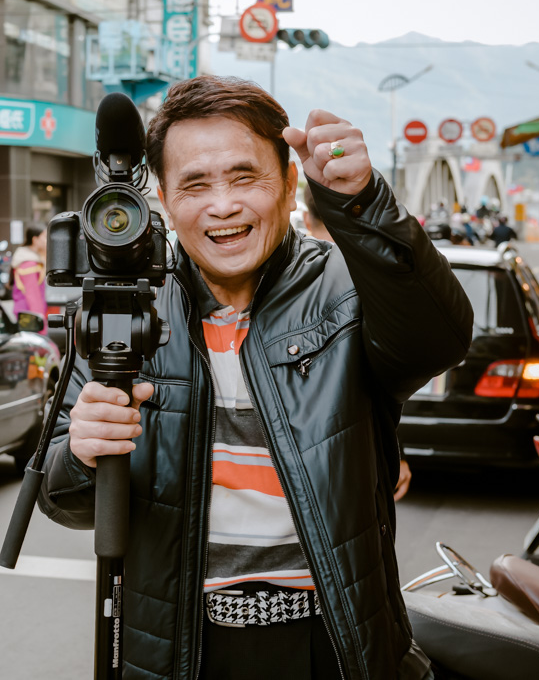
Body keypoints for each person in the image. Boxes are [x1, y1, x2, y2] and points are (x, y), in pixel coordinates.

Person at [37, 76, 472, 679]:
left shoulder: (347, 290)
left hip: (334, 644)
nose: (222, 205)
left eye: (245, 177)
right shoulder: (121, 311)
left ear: (290, 184)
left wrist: (364, 203)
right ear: (161, 197)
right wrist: (83, 453)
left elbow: (439, 338)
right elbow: (63, 501)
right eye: (195, 184)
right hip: (177, 650)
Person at [302, 185, 413, 501]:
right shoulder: (372, 278)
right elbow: (379, 383)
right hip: (355, 463)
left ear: (307, 221)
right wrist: (395, 452)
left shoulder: (283, 279)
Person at [11, 222, 48, 331]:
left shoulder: (33, 260)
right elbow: (33, 297)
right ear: (35, 240)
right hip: (30, 316)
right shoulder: (29, 264)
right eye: (45, 237)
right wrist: (41, 324)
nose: (47, 241)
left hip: (28, 314)